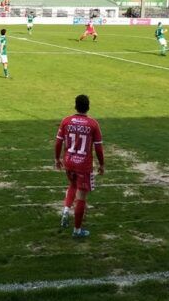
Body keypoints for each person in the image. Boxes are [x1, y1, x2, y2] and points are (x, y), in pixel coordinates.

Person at [54, 94, 104, 238]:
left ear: (75, 106)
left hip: (69, 161)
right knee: (81, 195)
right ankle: (77, 230)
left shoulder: (66, 121)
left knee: (72, 185)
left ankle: (65, 210)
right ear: (88, 107)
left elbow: (58, 142)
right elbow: (99, 148)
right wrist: (102, 165)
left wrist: (57, 159)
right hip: (83, 164)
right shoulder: (93, 124)